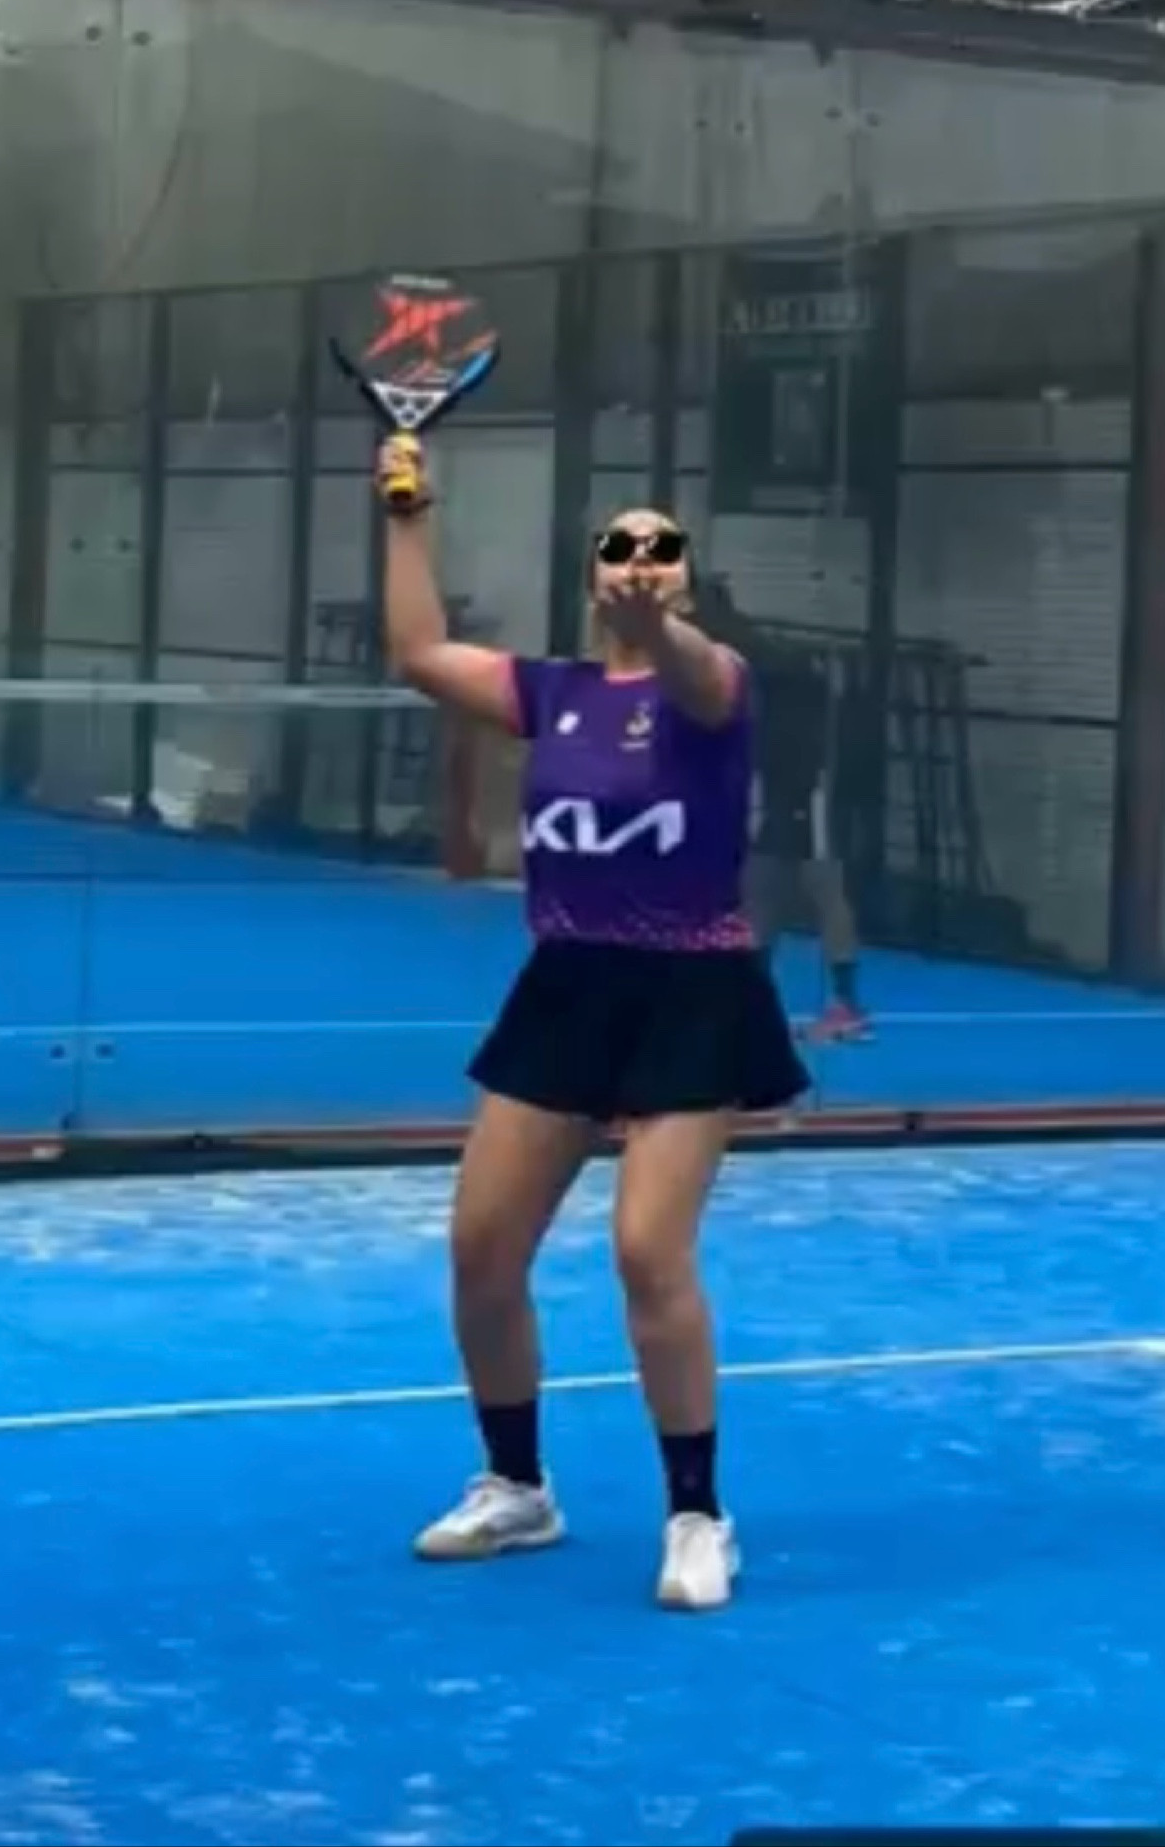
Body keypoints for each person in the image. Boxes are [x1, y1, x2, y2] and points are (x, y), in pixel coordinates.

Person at [376, 431, 807, 1612]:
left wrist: (661, 627)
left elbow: (694, 668)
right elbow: (418, 651)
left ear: (686, 580)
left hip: (692, 993)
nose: (640, 563)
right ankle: (518, 1488)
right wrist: (407, 513)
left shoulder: (714, 685)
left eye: (663, 552)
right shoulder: (552, 694)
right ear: (589, 574)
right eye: (620, 549)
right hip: (568, 985)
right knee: (481, 1251)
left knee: (646, 1251)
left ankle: (698, 1515)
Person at [692, 576, 871, 1043]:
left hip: (808, 782)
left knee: (824, 884)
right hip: (772, 782)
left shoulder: (751, 650)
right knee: (760, 882)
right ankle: (752, 1004)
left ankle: (847, 1005)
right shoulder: (727, 650)